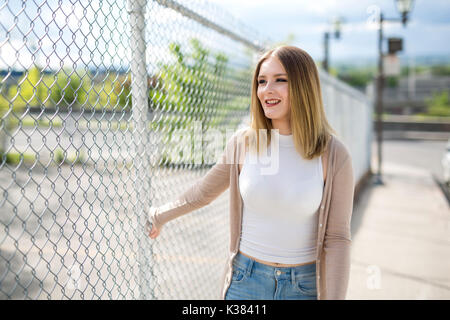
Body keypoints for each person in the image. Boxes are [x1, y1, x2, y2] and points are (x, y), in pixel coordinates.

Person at [146, 45, 355, 300]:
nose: (267, 90)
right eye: (262, 81)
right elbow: (203, 192)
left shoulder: (333, 155)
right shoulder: (243, 143)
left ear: (304, 87)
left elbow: (337, 239)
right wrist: (159, 215)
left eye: (280, 80)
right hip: (246, 281)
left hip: (304, 286)